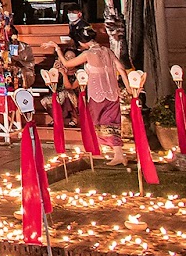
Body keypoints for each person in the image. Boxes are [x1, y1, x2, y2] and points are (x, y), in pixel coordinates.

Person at [54, 23, 130, 165]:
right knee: (113, 123)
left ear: (83, 42)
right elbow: (121, 68)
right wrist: (129, 88)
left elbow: (67, 63)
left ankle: (114, 153)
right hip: (113, 92)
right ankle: (118, 153)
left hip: (97, 94)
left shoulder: (88, 54)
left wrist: (58, 49)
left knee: (100, 123)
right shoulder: (107, 51)